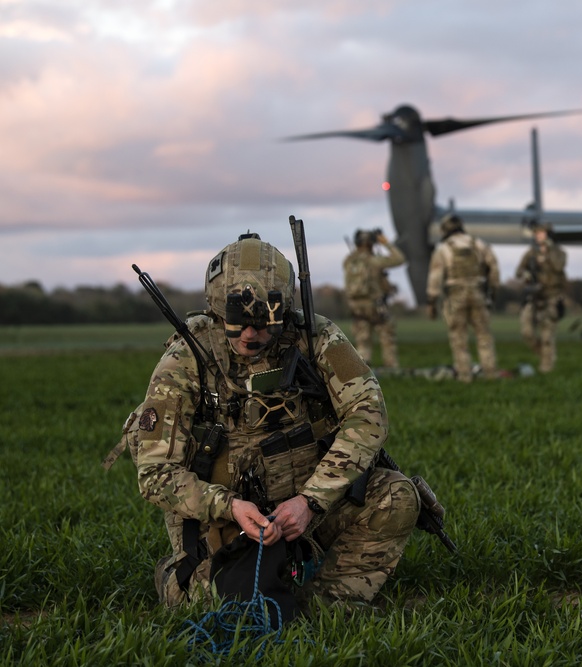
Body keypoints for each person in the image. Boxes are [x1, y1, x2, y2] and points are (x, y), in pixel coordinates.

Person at [126, 232, 419, 614]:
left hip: (305, 508)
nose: (252, 334)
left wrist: (311, 501)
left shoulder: (316, 338)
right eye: (240, 322)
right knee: (220, 608)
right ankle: (182, 579)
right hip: (224, 521)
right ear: (217, 310)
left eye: (265, 323)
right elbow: (155, 473)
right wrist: (230, 507)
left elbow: (368, 414)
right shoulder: (186, 359)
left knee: (396, 496)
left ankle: (324, 605)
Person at [426, 213, 500, 383]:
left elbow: (435, 277)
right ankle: (490, 373)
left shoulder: (443, 248)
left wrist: (431, 301)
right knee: (484, 335)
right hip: (478, 293)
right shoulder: (478, 244)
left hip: (455, 295)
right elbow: (493, 268)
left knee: (458, 336)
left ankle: (464, 375)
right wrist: (493, 292)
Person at [343, 229, 406, 368]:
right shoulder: (374, 261)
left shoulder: (349, 261)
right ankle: (391, 369)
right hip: (376, 305)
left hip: (357, 307)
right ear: (371, 243)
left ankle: (364, 372)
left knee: (362, 342)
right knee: (387, 338)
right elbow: (400, 259)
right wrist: (386, 243)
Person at [516, 223, 567, 373]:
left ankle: (546, 368)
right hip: (534, 297)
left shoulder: (559, 252)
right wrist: (525, 274)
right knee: (527, 332)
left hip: (552, 297)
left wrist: (549, 251)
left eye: (541, 233)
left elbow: (559, 266)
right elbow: (518, 271)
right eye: (536, 233)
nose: (537, 236)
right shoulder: (531, 253)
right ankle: (547, 356)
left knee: (547, 336)